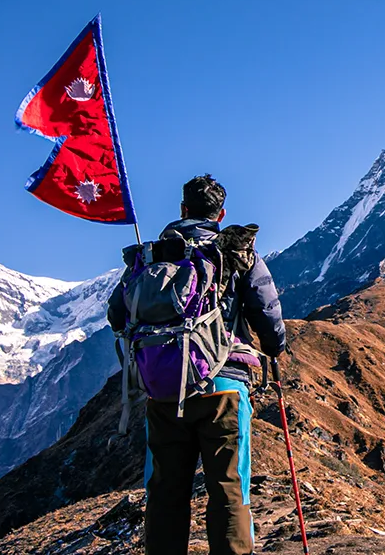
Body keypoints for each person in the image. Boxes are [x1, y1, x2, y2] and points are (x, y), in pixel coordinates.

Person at [107, 174, 286, 555]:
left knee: (165, 493)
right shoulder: (235, 253)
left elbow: (117, 314)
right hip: (224, 386)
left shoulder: (153, 256)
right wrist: (274, 347)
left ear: (182, 210)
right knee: (228, 490)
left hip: (164, 389)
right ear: (220, 214)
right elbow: (267, 312)